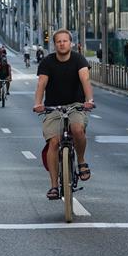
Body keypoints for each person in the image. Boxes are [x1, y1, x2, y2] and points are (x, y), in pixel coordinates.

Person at [33, 29, 95, 200]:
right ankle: (54, 185)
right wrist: (38, 103)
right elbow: (41, 84)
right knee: (53, 142)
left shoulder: (78, 59)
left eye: (65, 41)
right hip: (53, 107)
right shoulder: (47, 62)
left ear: (71, 43)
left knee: (77, 129)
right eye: (58, 41)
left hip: (76, 105)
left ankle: (81, 161)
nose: (62, 44)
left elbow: (85, 80)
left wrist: (89, 99)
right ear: (54, 44)